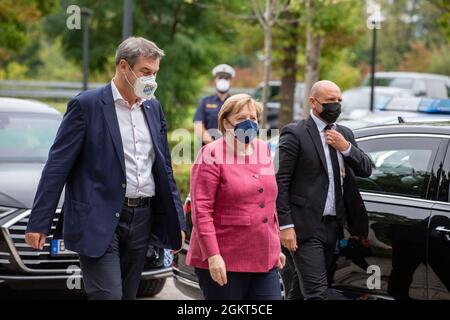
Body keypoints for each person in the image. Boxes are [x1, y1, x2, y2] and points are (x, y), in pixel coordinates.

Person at [25, 37, 186, 300]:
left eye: (155, 73)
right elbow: (57, 166)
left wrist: (177, 220)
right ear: (124, 66)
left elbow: (164, 168)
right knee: (108, 296)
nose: (152, 79)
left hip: (142, 218)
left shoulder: (153, 108)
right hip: (98, 218)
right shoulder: (86, 106)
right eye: (146, 72)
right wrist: (39, 221)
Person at [275, 80, 372, 300]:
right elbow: (280, 182)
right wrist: (286, 225)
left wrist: (345, 148)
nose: (336, 105)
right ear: (313, 102)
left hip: (333, 226)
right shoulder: (295, 133)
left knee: (300, 290)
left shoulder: (344, 133)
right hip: (304, 227)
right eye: (330, 101)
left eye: (339, 100)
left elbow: (367, 169)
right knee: (316, 293)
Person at [187, 93, 285, 300]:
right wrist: (213, 256)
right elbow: (201, 212)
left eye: (253, 118)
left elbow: (268, 202)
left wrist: (275, 246)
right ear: (226, 122)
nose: (249, 123)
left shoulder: (262, 149)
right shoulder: (210, 154)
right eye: (241, 118)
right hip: (225, 258)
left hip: (263, 257)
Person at [193, 64, 235, 145]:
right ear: (215, 81)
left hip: (231, 150)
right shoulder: (205, 102)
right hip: (209, 150)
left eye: (226, 78)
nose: (223, 81)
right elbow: (198, 126)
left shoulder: (235, 103)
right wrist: (213, 146)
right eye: (220, 78)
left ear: (231, 81)